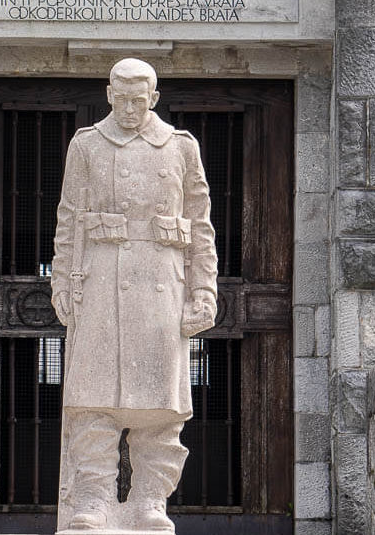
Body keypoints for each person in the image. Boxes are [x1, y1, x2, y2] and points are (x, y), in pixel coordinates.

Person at [51, 58, 219, 533]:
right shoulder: (86, 145)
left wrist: (204, 288)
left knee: (160, 406)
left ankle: (150, 497)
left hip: (162, 284)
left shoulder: (181, 147)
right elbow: (68, 218)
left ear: (154, 99)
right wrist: (61, 279)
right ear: (108, 95)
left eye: (138, 100)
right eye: (121, 98)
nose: (129, 108)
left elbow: (201, 226)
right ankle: (95, 497)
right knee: (93, 401)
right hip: (101, 280)